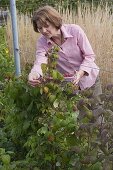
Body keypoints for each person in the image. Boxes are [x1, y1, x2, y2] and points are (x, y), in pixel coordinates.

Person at [28, 5, 102, 96]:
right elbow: (40, 61)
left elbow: (89, 56)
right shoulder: (42, 42)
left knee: (96, 108)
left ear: (54, 21)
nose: (43, 30)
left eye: (46, 26)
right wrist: (34, 74)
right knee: (75, 109)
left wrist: (80, 73)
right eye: (40, 28)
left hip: (90, 79)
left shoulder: (75, 30)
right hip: (69, 85)